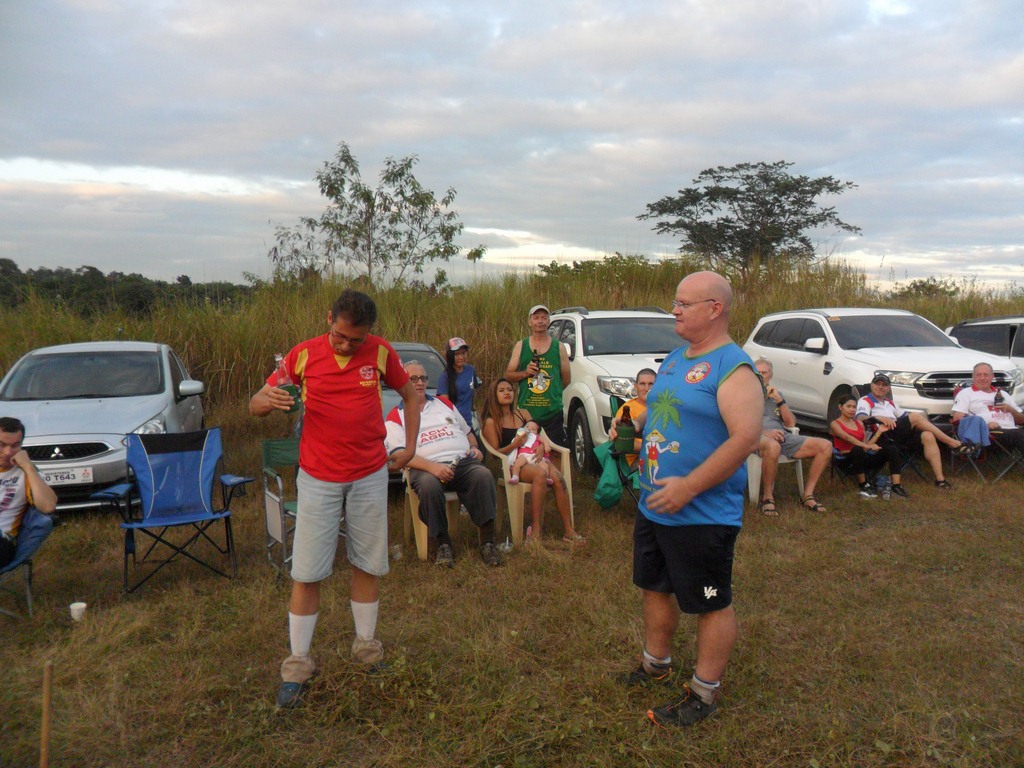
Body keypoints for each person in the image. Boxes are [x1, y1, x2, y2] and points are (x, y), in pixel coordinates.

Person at [249, 289, 420, 710]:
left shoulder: (380, 353)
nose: (346, 345)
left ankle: (367, 650)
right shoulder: (303, 355)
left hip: (369, 474)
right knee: (307, 572)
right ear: (329, 319)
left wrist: (411, 447)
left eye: (355, 340)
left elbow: (412, 396)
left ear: (369, 333)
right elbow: (255, 405)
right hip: (318, 477)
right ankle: (297, 666)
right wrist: (267, 401)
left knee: (367, 563)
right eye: (340, 336)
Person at [621, 271, 763, 728]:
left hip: (701, 512)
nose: (675, 310)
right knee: (654, 586)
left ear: (714, 309)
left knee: (710, 601)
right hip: (655, 503)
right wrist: (635, 428)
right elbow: (661, 410)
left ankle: (704, 692)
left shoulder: (733, 368)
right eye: (675, 302)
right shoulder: (675, 358)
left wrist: (689, 486)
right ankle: (655, 664)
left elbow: (745, 438)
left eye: (684, 303)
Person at [384, 361, 501, 567]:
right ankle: (442, 543)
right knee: (429, 485)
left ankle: (488, 541)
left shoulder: (444, 404)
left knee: (483, 476)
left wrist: (474, 447)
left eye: (423, 378)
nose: (420, 383)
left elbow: (467, 432)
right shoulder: (395, 416)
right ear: (403, 382)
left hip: (461, 462)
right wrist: (433, 467)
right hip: (425, 468)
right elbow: (400, 455)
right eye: (413, 379)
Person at [480, 378, 583, 543]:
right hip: (516, 463)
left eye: (510, 389)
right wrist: (515, 445)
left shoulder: (523, 414)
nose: (507, 393)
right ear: (494, 395)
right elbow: (495, 453)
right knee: (540, 474)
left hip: (536, 456)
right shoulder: (492, 422)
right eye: (502, 390)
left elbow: (539, 435)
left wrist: (542, 447)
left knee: (558, 478)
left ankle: (568, 530)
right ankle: (535, 530)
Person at [855, 373, 969, 494]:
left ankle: (940, 480)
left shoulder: (891, 403)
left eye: (884, 385)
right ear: (872, 385)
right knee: (915, 417)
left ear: (888, 388)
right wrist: (878, 417)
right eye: (877, 384)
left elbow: (905, 418)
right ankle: (953, 443)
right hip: (880, 436)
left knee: (928, 435)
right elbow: (860, 418)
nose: (880, 387)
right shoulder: (865, 400)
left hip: (896, 435)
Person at [753, 359, 833, 514]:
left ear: (771, 375)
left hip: (782, 436)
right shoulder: (744, 394)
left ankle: (807, 495)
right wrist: (764, 432)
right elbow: (740, 425)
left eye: (764, 372)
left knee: (825, 446)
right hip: (756, 438)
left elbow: (790, 423)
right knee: (773, 446)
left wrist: (780, 400)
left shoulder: (777, 395)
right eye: (758, 373)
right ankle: (767, 497)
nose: (761, 376)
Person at [505, 305, 571, 447]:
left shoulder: (559, 347)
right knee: (526, 451)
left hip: (552, 413)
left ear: (548, 321)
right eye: (536, 318)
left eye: (544, 318)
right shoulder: (521, 346)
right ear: (530, 322)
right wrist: (525, 373)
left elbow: (566, 379)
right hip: (526, 413)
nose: (540, 321)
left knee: (556, 451)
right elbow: (509, 375)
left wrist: (552, 393)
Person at [0, 417, 58, 571]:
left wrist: (28, 466)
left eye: (15, 446)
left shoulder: (25, 473)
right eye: (1, 445)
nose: (7, 452)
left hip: (3, 543)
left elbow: (48, 506)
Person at [829, 394, 901, 497]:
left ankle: (896, 486)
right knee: (857, 449)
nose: (852, 410)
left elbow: (866, 446)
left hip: (863, 457)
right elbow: (847, 437)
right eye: (848, 406)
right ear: (840, 407)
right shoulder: (835, 424)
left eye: (854, 407)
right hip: (846, 460)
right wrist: (866, 446)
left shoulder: (859, 423)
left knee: (891, 448)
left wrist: (879, 431)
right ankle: (863, 484)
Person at [951, 362, 1024, 452]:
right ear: (973, 376)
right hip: (989, 433)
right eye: (978, 375)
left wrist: (1011, 410)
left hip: (1013, 430)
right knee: (1019, 436)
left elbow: (1022, 420)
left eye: (986, 375)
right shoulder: (966, 393)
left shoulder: (1003, 394)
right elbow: (958, 420)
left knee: (1018, 434)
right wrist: (984, 426)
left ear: (992, 376)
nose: (982, 378)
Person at [609, 368, 657, 467]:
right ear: (636, 387)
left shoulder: (662, 407)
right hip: (637, 459)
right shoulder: (627, 410)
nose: (646, 388)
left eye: (651, 384)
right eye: (642, 384)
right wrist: (655, 447)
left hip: (658, 455)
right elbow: (623, 442)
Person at [436, 337, 482, 436]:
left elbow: (474, 389)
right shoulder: (445, 377)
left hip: (469, 423)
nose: (461, 357)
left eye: (463, 353)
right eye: (457, 354)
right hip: (454, 426)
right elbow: (444, 406)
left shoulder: (470, 370)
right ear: (450, 356)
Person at [508, 421, 555, 486]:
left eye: (533, 429)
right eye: (527, 427)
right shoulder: (521, 437)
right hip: (524, 455)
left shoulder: (537, 437)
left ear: (537, 432)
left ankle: (545, 478)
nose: (529, 429)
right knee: (517, 463)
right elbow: (515, 445)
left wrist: (546, 446)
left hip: (536, 456)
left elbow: (544, 440)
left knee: (544, 465)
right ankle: (515, 476)